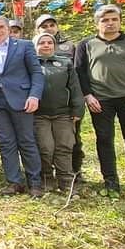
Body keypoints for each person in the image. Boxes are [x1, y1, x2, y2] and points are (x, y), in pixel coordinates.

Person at [75, 5, 125, 197]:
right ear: (97, 23)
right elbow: (80, 72)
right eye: (105, 20)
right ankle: (110, 182)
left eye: (113, 19)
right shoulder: (85, 44)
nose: (110, 23)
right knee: (104, 140)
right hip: (100, 100)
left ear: (119, 21)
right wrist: (88, 95)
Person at [0, 16, 45, 197]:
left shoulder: (24, 46)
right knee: (5, 143)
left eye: (0, 27)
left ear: (7, 29)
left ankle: (35, 183)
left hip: (21, 100)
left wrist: (34, 95)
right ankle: (14, 182)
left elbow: (36, 73)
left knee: (27, 141)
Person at [34, 33, 84, 192]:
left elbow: (75, 88)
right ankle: (47, 178)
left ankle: (66, 180)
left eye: (50, 42)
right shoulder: (30, 63)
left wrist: (78, 109)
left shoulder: (65, 62)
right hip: (39, 114)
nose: (46, 45)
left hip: (63, 114)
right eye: (42, 43)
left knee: (64, 146)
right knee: (45, 147)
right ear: (35, 45)